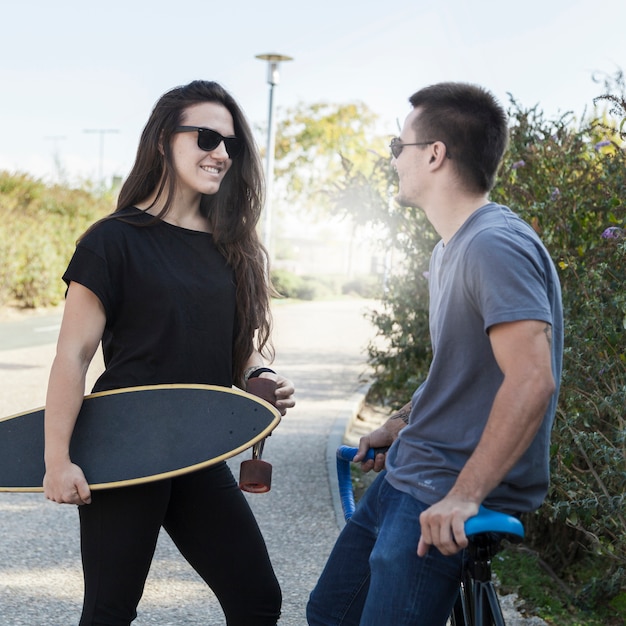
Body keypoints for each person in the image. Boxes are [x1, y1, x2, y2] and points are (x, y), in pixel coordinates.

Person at [307, 82, 563, 625]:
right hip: (411, 471)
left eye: (398, 147)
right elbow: (462, 372)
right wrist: (399, 421)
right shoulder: (452, 247)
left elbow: (532, 378)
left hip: (443, 489)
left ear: (434, 154)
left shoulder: (494, 244)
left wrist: (465, 496)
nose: (393, 159)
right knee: (329, 614)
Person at [43, 80, 295, 626]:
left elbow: (238, 345)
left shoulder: (230, 244)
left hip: (197, 449)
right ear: (163, 140)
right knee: (109, 611)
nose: (221, 153)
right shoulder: (111, 241)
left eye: (232, 145)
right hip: (125, 448)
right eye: (206, 137)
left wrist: (263, 374)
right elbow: (73, 355)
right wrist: (57, 460)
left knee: (257, 600)